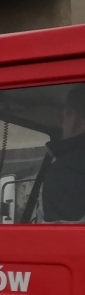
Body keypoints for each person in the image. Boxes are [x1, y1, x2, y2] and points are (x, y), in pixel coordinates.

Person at [38, 83, 85, 222]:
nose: (61, 125)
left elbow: (55, 239)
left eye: (65, 117)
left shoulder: (66, 170)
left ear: (75, 119)